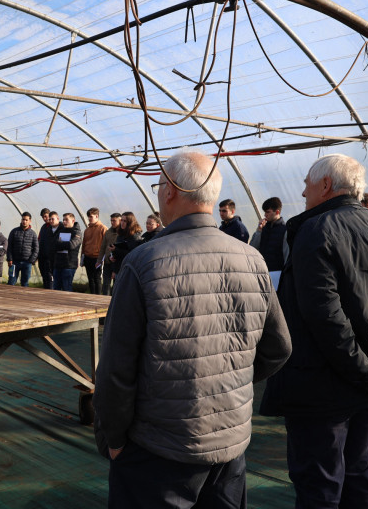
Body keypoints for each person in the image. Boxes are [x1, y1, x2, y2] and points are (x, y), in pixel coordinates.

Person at [93, 149, 292, 508]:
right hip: (230, 443)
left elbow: (116, 370)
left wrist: (113, 436)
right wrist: (226, 382)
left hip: (160, 446)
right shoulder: (252, 259)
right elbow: (278, 348)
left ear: (169, 191)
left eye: (157, 186)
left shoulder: (144, 261)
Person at [260, 154, 368, 509]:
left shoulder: (314, 230)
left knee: (319, 486)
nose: (303, 191)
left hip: (325, 388)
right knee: (358, 477)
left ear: (325, 185)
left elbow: (324, 316)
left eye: (308, 183)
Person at [250, 197, 287, 271]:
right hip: (262, 271)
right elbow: (252, 248)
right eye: (265, 212)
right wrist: (259, 231)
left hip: (278, 272)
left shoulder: (285, 230)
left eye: (268, 212)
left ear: (277, 212)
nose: (265, 215)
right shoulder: (263, 229)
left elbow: (286, 254)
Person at [7, 212, 39, 287]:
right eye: (23, 219)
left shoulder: (33, 234)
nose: (24, 221)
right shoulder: (14, 231)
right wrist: (10, 259)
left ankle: (23, 298)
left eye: (26, 220)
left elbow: (36, 249)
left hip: (27, 263)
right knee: (11, 282)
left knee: (25, 283)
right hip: (14, 262)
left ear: (30, 221)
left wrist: (31, 261)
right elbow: (9, 247)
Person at [52, 213, 82, 291]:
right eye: (63, 220)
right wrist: (61, 244)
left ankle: (67, 303)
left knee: (67, 287)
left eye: (66, 220)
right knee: (56, 287)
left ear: (73, 220)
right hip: (58, 264)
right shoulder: (60, 231)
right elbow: (53, 244)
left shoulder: (77, 233)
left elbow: (71, 245)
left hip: (69, 265)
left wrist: (60, 243)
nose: (64, 222)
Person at [109, 212, 143, 277]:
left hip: (128, 270)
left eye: (125, 221)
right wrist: (112, 256)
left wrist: (116, 249)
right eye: (121, 220)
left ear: (130, 222)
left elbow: (132, 254)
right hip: (119, 268)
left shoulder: (134, 236)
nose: (122, 223)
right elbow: (119, 251)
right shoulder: (121, 234)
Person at [81, 207, 106, 294]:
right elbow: (84, 244)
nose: (89, 218)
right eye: (88, 216)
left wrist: (102, 258)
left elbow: (106, 244)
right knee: (90, 279)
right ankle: (92, 296)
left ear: (96, 216)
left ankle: (98, 297)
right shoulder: (87, 230)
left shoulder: (103, 228)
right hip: (88, 257)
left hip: (97, 258)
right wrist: (82, 257)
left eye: (91, 216)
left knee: (97, 278)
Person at [97, 212, 122, 296]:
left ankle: (114, 303)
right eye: (111, 220)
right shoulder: (108, 232)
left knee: (116, 285)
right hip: (108, 262)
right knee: (106, 285)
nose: (112, 222)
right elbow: (103, 247)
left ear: (120, 220)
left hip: (117, 263)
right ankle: (105, 302)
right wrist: (99, 260)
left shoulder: (122, 233)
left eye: (114, 221)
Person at [37, 208, 55, 289]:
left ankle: (51, 294)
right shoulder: (43, 227)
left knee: (50, 277)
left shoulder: (54, 227)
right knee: (44, 276)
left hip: (50, 257)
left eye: (46, 216)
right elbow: (39, 240)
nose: (45, 219)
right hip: (42, 257)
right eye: (43, 217)